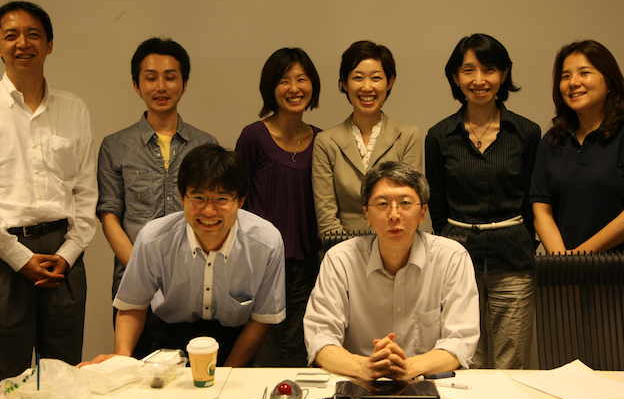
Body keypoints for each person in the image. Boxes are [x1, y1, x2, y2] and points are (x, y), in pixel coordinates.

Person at [0, 1, 97, 399]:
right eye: (10, 36)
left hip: (63, 258)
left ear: (50, 44)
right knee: (4, 387)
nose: (23, 43)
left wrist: (67, 254)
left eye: (33, 34)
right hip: (1, 257)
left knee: (63, 383)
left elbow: (86, 194)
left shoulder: (74, 109)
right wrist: (19, 258)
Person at [97, 144, 286, 367]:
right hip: (169, 336)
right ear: (181, 196)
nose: (209, 211)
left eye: (222, 199)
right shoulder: (153, 239)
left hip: (235, 338)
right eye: (198, 197)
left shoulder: (266, 243)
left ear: (241, 200)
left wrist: (226, 373)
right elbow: (132, 305)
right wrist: (121, 358)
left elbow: (261, 319)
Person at [425, 34, 541, 369]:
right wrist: (449, 246)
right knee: (464, 359)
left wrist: (524, 241)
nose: (479, 80)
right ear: (455, 77)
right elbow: (437, 205)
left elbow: (533, 200)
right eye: (468, 71)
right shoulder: (439, 136)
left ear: (504, 74)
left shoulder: (526, 133)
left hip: (514, 258)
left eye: (489, 69)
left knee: (511, 360)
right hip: (457, 260)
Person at [97, 37, 217, 359]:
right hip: (133, 287)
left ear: (184, 84)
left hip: (193, 285)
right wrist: (142, 269)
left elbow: (214, 215)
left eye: (170, 77)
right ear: (137, 85)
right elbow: (109, 215)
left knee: (195, 373)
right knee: (134, 373)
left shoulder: (205, 145)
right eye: (151, 77)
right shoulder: (115, 146)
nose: (161, 86)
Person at [304, 161, 479, 380]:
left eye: (405, 203)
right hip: (357, 381)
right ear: (367, 214)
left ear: (423, 212)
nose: (394, 214)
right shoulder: (340, 260)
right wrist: (364, 367)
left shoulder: (452, 258)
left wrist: (409, 367)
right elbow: (320, 339)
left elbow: (460, 342)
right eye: (382, 204)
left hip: (427, 381)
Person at [531, 40, 624, 253]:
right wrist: (563, 261)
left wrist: (580, 257)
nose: (573, 82)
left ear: (609, 82)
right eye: (565, 76)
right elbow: (541, 212)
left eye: (584, 73)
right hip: (566, 269)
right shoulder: (552, 141)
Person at [235, 47, 323, 367]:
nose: (294, 88)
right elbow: (235, 201)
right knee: (263, 353)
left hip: (307, 265)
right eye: (284, 80)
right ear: (271, 88)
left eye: (302, 79)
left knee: (300, 348)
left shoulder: (322, 141)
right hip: (260, 266)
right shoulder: (253, 137)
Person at [312, 41, 422, 236]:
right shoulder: (326, 142)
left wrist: (388, 251)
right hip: (342, 250)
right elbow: (327, 218)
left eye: (376, 78)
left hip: (396, 246)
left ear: (389, 82)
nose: (367, 87)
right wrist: (351, 252)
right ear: (344, 83)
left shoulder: (407, 137)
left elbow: (409, 206)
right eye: (358, 78)